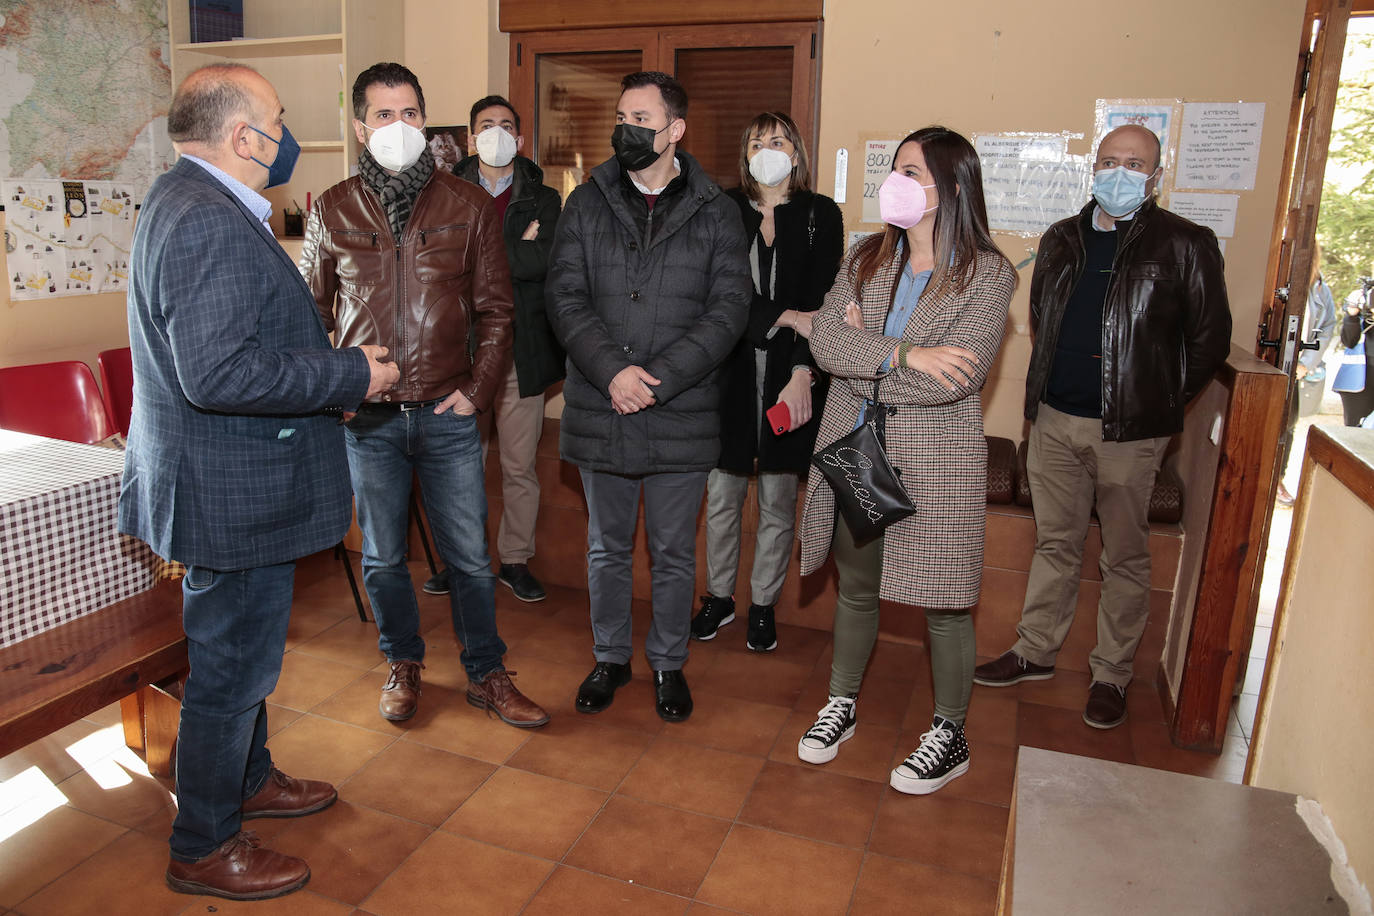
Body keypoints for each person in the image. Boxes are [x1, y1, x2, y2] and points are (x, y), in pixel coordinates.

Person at [119, 63, 400, 899]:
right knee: (232, 669)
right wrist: (349, 377)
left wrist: (328, 380)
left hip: (224, 479)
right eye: (276, 120)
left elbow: (236, 353)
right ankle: (203, 843)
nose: (285, 135)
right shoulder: (205, 218)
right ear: (244, 137)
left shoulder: (190, 200)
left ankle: (249, 779)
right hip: (227, 491)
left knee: (241, 655)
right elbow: (219, 374)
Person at [299, 62, 548, 729]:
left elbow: (498, 311)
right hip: (368, 420)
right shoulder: (331, 208)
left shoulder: (465, 206)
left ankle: (487, 672)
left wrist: (477, 389)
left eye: (410, 113)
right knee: (382, 557)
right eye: (384, 115)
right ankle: (403, 663)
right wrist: (336, 388)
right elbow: (308, 316)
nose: (399, 127)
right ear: (359, 126)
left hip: (447, 414)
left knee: (469, 557)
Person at [973, 124, 1232, 730]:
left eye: (1134, 164)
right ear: (1094, 167)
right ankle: (1035, 650)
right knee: (1055, 543)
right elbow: (1041, 320)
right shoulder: (1063, 238)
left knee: (1124, 557)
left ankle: (1112, 673)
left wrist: (1157, 402)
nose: (1120, 173)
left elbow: (1207, 340)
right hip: (1056, 421)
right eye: (1110, 161)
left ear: (1156, 176)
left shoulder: (1187, 245)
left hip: (1130, 434)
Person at [794, 126, 1015, 795]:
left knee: (945, 602)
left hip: (935, 461)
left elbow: (956, 380)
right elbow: (826, 342)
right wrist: (901, 354)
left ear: (951, 186)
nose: (897, 180)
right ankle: (841, 703)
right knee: (856, 589)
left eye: (911, 171)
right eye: (895, 169)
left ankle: (950, 732)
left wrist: (868, 355)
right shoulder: (866, 256)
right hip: (858, 449)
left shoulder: (988, 274)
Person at [546, 71, 751, 722]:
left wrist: (654, 381)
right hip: (602, 405)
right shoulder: (586, 201)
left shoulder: (717, 209)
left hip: (678, 413)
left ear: (675, 130)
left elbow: (727, 312)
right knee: (605, 548)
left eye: (641, 117)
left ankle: (668, 663)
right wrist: (613, 373)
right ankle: (610, 657)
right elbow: (565, 297)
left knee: (670, 552)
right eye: (622, 115)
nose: (627, 128)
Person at [690, 111, 843, 652]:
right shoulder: (723, 208)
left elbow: (826, 301)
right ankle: (718, 597)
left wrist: (804, 370)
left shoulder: (820, 214)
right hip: (727, 368)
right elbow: (718, 292)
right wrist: (786, 316)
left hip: (793, 374)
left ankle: (761, 605)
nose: (768, 150)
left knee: (779, 499)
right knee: (722, 494)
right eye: (757, 142)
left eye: (777, 141)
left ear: (796, 153)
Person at [424, 94, 563, 603]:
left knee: (519, 468)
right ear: (469, 136)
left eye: (506, 125)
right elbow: (442, 266)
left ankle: (515, 560)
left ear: (520, 138)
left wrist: (486, 256)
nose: (497, 133)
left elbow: (540, 263)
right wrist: (513, 247)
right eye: (486, 125)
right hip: (458, 357)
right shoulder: (444, 194)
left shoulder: (544, 199)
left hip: (520, 354)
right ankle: (461, 561)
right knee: (459, 467)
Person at [1277, 252, 1338, 506]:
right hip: (1274, 359)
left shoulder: (1319, 287)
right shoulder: (1279, 272)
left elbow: (1327, 327)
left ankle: (1278, 478)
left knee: (1288, 424)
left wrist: (1305, 363)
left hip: (1297, 366)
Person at [1336, 280, 1374, 426]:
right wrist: (1352, 314)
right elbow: (1349, 341)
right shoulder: (1364, 306)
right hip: (1358, 380)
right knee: (1353, 430)